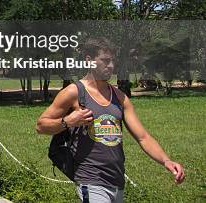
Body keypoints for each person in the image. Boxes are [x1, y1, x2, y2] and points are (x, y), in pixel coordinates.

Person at [36, 37, 185, 202]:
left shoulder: (120, 98)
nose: (111, 66)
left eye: (113, 61)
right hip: (90, 179)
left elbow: (143, 137)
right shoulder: (74, 92)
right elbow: (41, 125)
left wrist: (166, 161)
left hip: (116, 180)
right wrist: (69, 121)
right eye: (105, 61)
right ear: (89, 60)